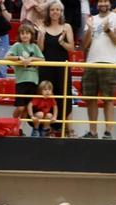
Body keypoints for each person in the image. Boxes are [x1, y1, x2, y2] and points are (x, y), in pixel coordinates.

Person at [81, 0, 116, 138]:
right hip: (91, 62)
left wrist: (107, 30)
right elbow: (85, 45)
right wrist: (89, 29)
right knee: (91, 99)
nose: (103, 3)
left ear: (110, 3)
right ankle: (93, 131)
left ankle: (108, 132)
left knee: (108, 99)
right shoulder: (91, 19)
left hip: (109, 63)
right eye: (100, 1)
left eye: (105, 1)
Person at [38, 1, 75, 136]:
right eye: (52, 9)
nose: (55, 12)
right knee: (47, 97)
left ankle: (68, 129)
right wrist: (41, 34)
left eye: (58, 10)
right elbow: (40, 49)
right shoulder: (43, 26)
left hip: (62, 68)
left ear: (61, 12)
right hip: (46, 67)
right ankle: (47, 129)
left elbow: (71, 48)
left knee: (65, 96)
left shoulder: (67, 27)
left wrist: (61, 42)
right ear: (49, 12)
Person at [7, 21, 43, 125]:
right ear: (19, 35)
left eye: (27, 33)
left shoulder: (34, 47)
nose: (25, 35)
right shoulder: (17, 45)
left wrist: (31, 59)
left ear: (31, 35)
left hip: (33, 81)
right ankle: (12, 123)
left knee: (27, 108)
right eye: (22, 33)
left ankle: (19, 128)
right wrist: (20, 58)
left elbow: (42, 59)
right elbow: (7, 56)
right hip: (21, 81)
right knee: (20, 107)